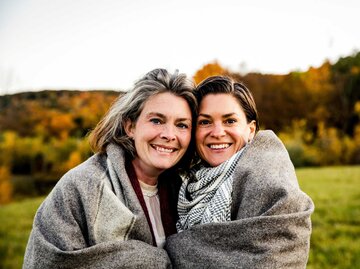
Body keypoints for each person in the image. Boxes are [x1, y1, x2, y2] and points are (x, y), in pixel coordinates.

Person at [23, 68, 197, 269]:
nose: (169, 134)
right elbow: (50, 262)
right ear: (130, 126)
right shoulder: (81, 186)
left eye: (182, 125)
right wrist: (151, 261)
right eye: (156, 120)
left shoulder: (188, 193)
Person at [165, 76, 314, 268]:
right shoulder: (184, 183)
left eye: (229, 121)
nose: (217, 132)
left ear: (251, 130)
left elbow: (273, 259)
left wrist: (172, 252)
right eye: (205, 122)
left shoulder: (265, 178)